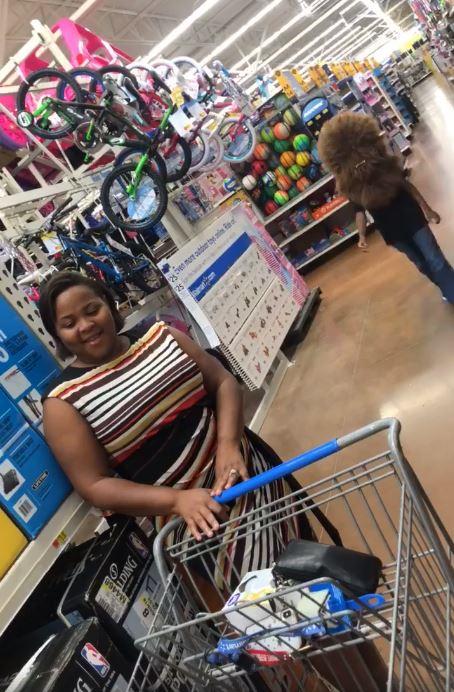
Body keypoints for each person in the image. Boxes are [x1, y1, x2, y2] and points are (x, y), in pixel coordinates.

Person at [317, 112, 454, 303]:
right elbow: (359, 212)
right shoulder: (352, 186)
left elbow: (405, 185)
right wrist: (362, 235)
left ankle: (451, 289)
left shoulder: (384, 165)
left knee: (434, 259)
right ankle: (447, 287)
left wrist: (426, 208)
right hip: (392, 231)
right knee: (422, 264)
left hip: (411, 218)